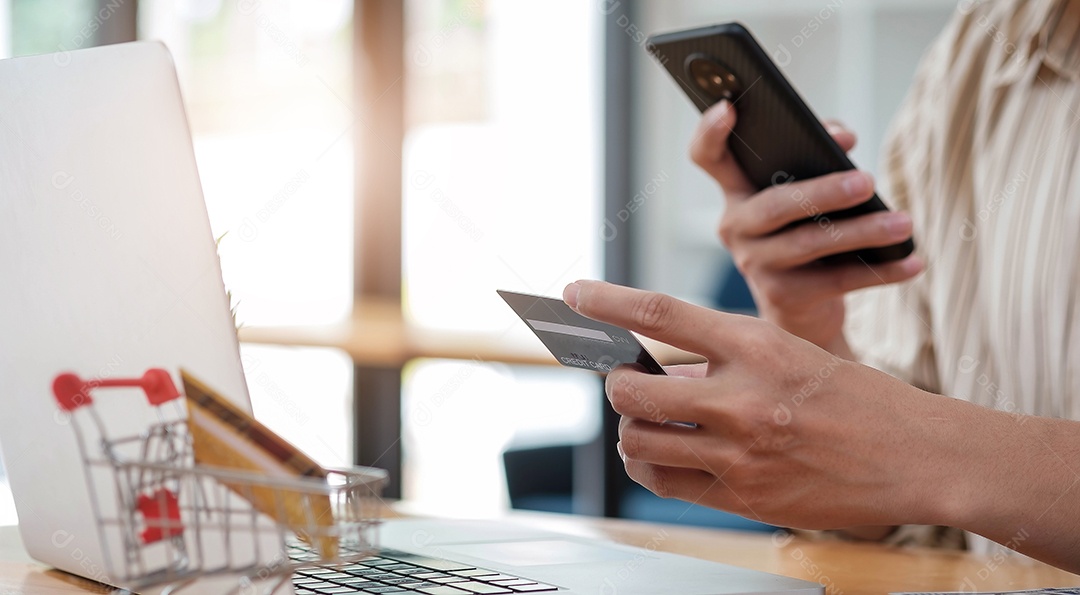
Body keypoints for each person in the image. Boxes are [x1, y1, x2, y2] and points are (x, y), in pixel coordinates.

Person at [563, 0, 1080, 574]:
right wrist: (810, 330)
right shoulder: (978, 47)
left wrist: (920, 450)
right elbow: (901, 523)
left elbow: (914, 463)